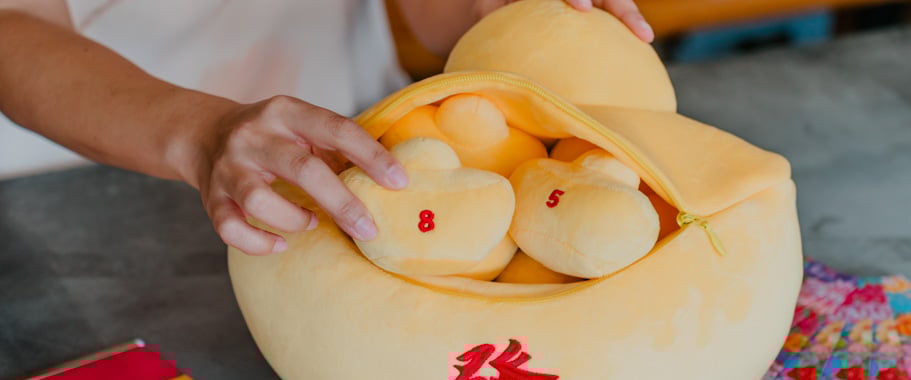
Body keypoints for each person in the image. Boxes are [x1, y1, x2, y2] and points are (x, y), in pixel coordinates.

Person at [0, 0, 653, 256]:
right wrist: (202, 134)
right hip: (69, 197)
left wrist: (505, 11)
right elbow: (13, 25)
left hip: (364, 161)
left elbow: (436, 14)